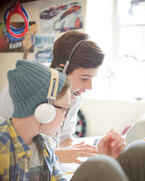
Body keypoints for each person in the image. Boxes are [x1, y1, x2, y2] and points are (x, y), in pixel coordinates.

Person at [1, 60, 145, 181]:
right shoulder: (3, 149)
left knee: (143, 153)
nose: (67, 116)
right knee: (98, 168)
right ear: (43, 111)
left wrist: (104, 158)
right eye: (65, 110)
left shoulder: (42, 143)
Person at [0, 30, 105, 164]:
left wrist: (90, 153)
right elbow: (5, 149)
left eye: (92, 78)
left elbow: (64, 139)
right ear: (62, 70)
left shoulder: (74, 96)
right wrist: (54, 156)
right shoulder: (22, 88)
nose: (89, 87)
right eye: (84, 78)